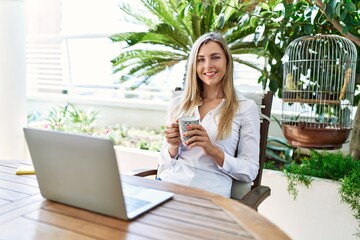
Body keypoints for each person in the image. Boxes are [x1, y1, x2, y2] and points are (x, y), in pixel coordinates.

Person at [158, 32, 260, 197]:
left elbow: (250, 170)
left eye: (215, 57)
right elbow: (163, 162)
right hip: (169, 186)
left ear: (227, 60)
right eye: (200, 60)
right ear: (194, 65)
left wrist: (213, 150)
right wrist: (172, 145)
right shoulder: (180, 104)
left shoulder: (245, 108)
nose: (208, 66)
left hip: (209, 194)